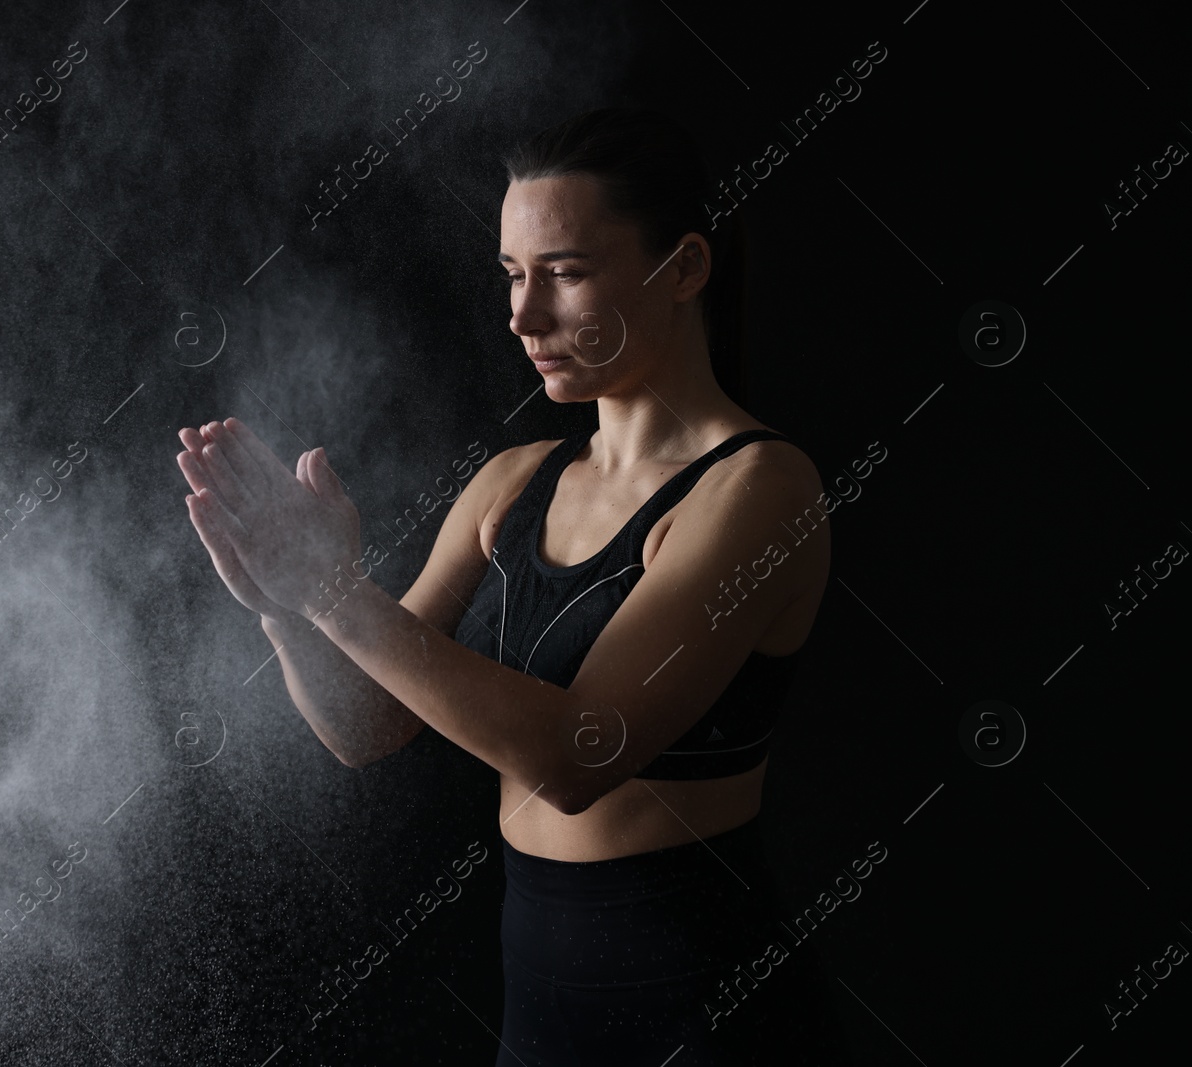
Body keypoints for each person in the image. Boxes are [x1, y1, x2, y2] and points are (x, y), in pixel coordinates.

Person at [174, 106, 850, 1065]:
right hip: (540, 1019)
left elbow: (578, 756)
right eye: (512, 276)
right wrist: (283, 607)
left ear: (685, 268)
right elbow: (368, 724)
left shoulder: (762, 490)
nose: (522, 316)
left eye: (566, 274)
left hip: (709, 1013)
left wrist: (334, 593)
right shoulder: (514, 482)